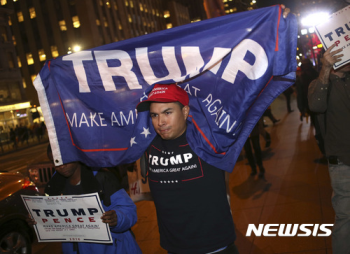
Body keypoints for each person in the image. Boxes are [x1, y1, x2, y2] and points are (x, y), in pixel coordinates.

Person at [136, 84, 238, 254]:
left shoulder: (208, 139)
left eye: (168, 112)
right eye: (154, 115)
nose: (160, 122)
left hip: (215, 246)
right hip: (175, 248)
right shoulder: (148, 145)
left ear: (184, 112)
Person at [28, 145, 142, 254]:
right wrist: (39, 219)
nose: (61, 165)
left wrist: (117, 218)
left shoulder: (101, 178)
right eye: (55, 162)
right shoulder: (55, 185)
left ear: (76, 155)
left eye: (65, 159)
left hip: (114, 249)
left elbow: (129, 210)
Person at [308, 43, 350, 254]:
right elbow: (316, 106)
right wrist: (326, 69)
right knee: (346, 217)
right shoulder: (319, 84)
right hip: (342, 164)